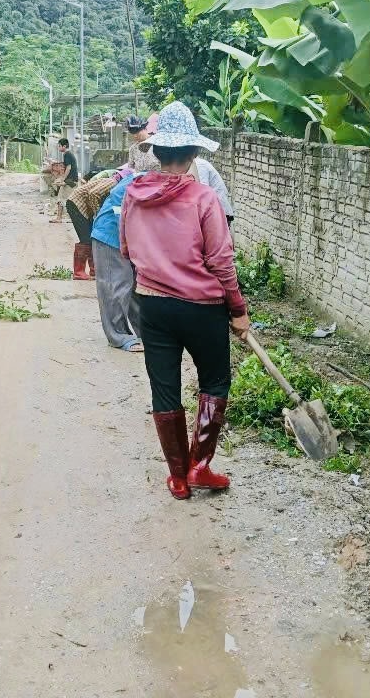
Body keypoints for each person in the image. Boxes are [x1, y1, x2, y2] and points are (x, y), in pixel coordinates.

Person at [120, 101, 250, 501]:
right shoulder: (204, 198)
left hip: (153, 306)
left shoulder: (132, 195)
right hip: (201, 309)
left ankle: (177, 477)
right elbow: (222, 262)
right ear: (194, 154)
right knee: (214, 380)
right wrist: (239, 310)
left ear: (156, 152)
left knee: (164, 387)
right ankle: (200, 466)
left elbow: (126, 251)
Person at [90, 168, 142, 353]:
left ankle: (144, 333)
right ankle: (118, 336)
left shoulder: (155, 181)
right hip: (110, 235)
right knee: (116, 287)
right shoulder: (139, 182)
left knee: (137, 288)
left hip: (132, 239)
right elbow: (121, 214)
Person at [63, 170, 123, 280]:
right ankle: (79, 272)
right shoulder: (112, 183)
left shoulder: (115, 185)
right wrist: (97, 213)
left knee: (92, 236)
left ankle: (94, 270)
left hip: (83, 207)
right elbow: (93, 193)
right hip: (77, 204)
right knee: (86, 238)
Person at [191, 156, 235, 224]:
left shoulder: (199, 165)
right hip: (213, 211)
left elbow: (203, 192)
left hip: (219, 213)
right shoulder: (194, 164)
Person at [52, 138, 80, 223]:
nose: (58, 148)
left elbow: (69, 167)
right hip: (72, 181)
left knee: (61, 198)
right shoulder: (69, 154)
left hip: (70, 181)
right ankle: (66, 218)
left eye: (59, 146)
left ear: (64, 146)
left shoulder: (67, 154)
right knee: (70, 199)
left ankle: (59, 218)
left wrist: (63, 179)